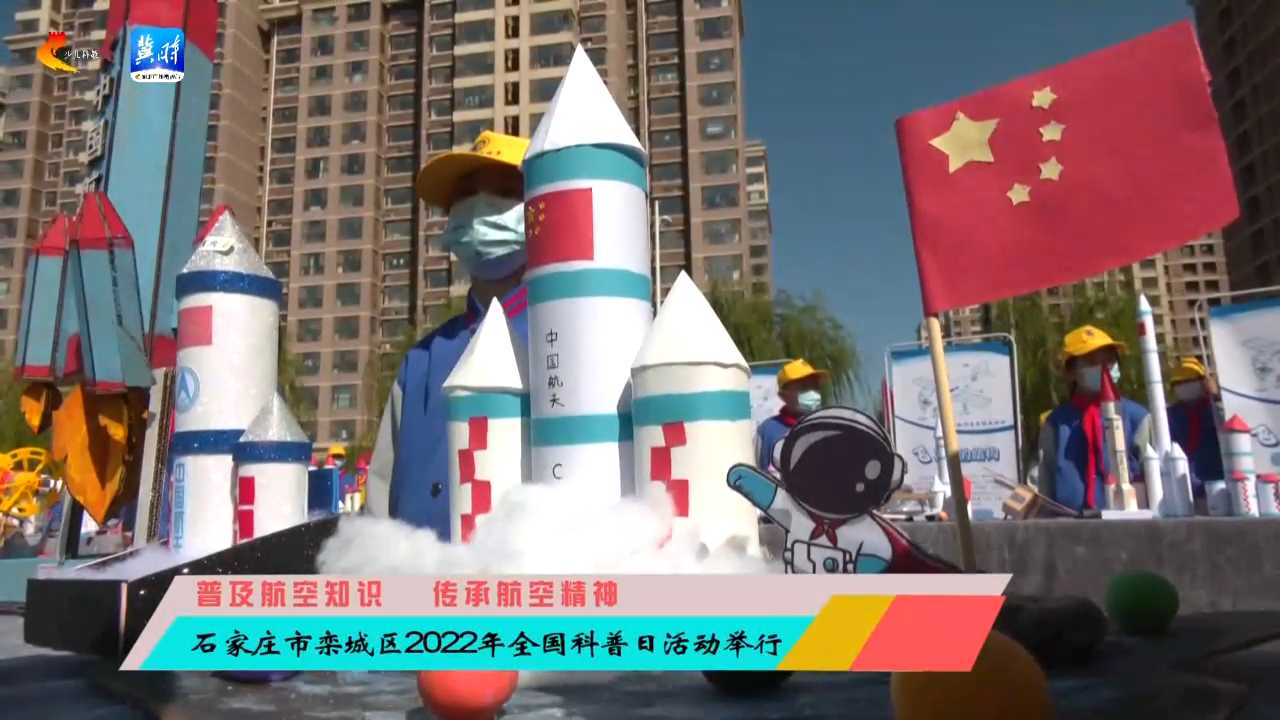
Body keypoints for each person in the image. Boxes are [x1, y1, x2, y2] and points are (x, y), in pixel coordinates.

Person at [365, 131, 530, 540]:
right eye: (465, 196)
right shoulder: (421, 362)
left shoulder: (571, 342)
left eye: (504, 191)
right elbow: (379, 507)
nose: (479, 208)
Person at [1038, 325, 1153, 512]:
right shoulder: (1055, 423)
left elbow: (1154, 476)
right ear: (1071, 372)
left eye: (1109, 360)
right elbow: (1044, 481)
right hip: (1068, 523)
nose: (1103, 368)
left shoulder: (1137, 417)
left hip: (1130, 521)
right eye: (1091, 361)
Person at [755, 359, 828, 476]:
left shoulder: (829, 427)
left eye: (815, 386)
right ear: (783, 396)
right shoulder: (767, 431)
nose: (812, 393)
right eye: (804, 387)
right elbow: (759, 475)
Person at [1167, 356, 1223, 492]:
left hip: (1218, 482)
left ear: (1204, 382)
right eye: (1178, 383)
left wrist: (1217, 397)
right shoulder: (1170, 415)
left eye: (1190, 381)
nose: (1184, 386)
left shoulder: (1215, 409)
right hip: (1184, 484)